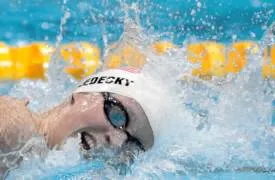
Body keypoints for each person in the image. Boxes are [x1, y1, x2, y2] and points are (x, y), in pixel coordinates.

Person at [0, 67, 160, 175]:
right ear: (81, 94)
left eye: (131, 143)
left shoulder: (38, 159)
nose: (117, 140)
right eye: (118, 116)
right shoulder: (17, 127)